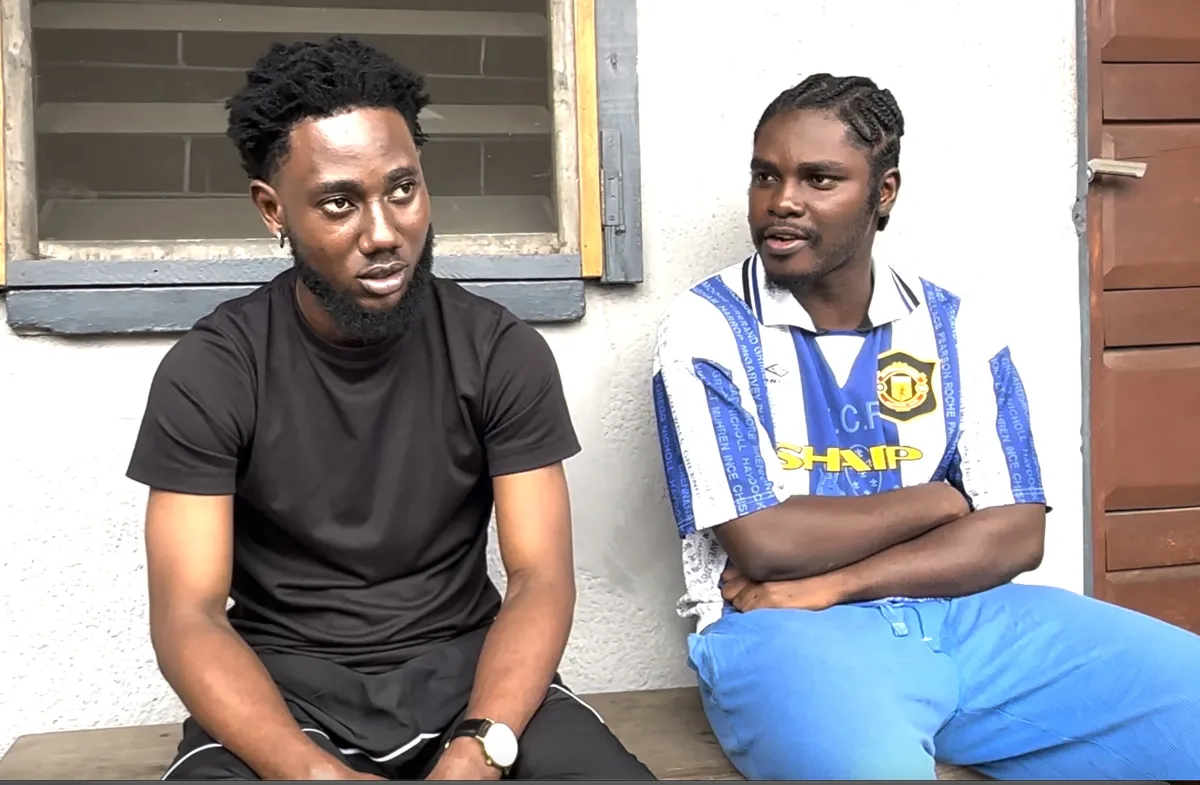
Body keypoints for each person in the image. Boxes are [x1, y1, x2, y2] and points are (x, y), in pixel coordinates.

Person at [126, 36, 654, 782]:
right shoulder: (213, 372)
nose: (384, 233)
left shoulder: (498, 350)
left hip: (473, 683)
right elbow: (189, 616)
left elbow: (539, 578)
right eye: (340, 202)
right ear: (272, 210)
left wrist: (482, 744)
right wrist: (308, 772)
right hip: (283, 697)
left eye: (402, 189)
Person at [650, 72, 1200, 780]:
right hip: (786, 633)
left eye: (819, 179)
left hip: (968, 619)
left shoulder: (955, 326)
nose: (782, 201)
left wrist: (836, 581)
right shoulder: (707, 328)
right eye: (766, 175)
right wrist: (940, 502)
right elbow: (765, 541)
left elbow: (1016, 533)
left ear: (883, 193)